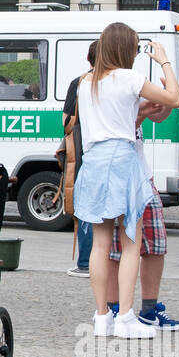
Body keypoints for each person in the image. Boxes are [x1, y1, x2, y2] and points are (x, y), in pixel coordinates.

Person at [74, 23, 179, 339]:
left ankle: (102, 317)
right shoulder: (129, 78)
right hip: (122, 159)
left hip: (93, 162)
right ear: (126, 50)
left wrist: (141, 110)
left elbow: (118, 114)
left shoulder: (86, 83)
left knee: (101, 244)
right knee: (131, 242)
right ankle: (126, 318)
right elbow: (173, 98)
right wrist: (164, 60)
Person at [101, 82, 179, 330]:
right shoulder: (98, 86)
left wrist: (165, 97)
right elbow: (118, 128)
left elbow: (162, 113)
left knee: (156, 245)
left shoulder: (130, 82)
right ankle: (115, 311)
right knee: (116, 250)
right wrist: (142, 113)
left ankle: (149, 311)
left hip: (142, 176)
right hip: (117, 175)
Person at [63, 40, 96, 279]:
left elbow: (66, 122)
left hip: (85, 148)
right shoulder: (124, 80)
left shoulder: (80, 82)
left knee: (86, 206)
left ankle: (85, 262)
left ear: (89, 58)